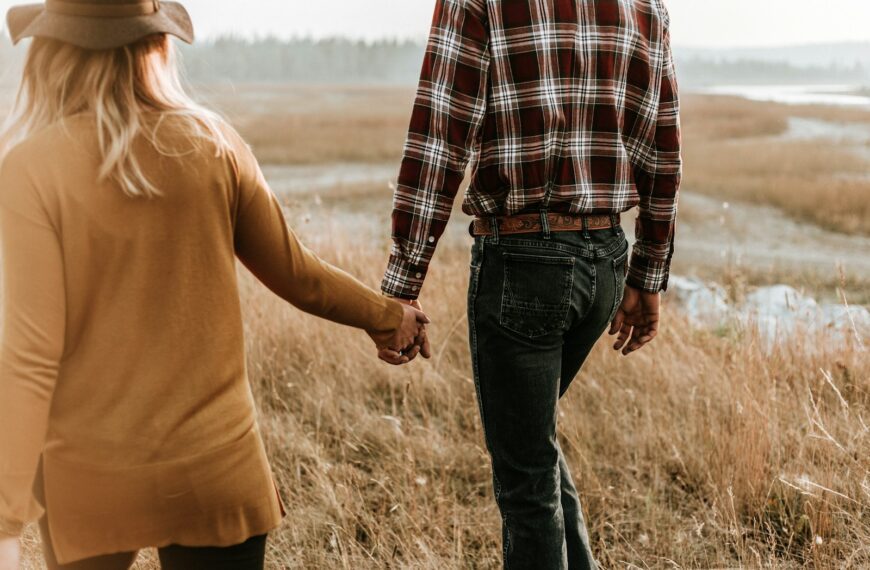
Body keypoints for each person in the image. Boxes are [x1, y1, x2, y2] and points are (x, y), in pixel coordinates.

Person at [0, 1, 428, 569]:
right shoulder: (214, 144)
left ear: (52, 52)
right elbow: (297, 273)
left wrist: (6, 519)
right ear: (156, 46)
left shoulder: (30, 169)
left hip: (92, 478)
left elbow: (30, 355)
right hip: (215, 469)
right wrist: (387, 316)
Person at [382, 0, 682, 567]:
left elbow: (440, 136)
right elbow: (660, 143)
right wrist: (647, 270)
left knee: (525, 479)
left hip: (524, 261)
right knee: (532, 446)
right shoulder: (645, 5)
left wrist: (403, 283)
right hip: (605, 262)